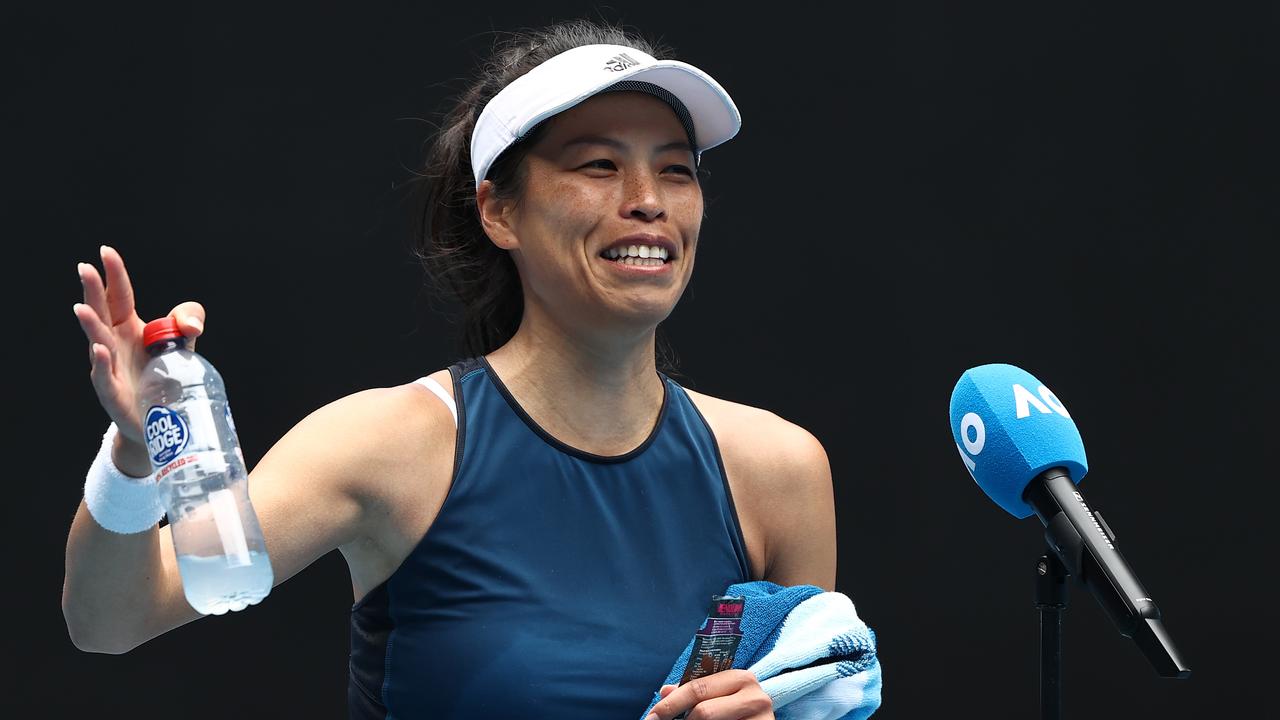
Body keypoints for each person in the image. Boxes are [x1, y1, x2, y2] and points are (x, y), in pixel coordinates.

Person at [64, 19, 837, 720]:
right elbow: (111, 622)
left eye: (675, 171)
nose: (647, 202)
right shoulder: (388, 444)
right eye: (599, 165)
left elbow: (814, 695)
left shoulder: (780, 469)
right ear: (498, 210)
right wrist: (136, 453)